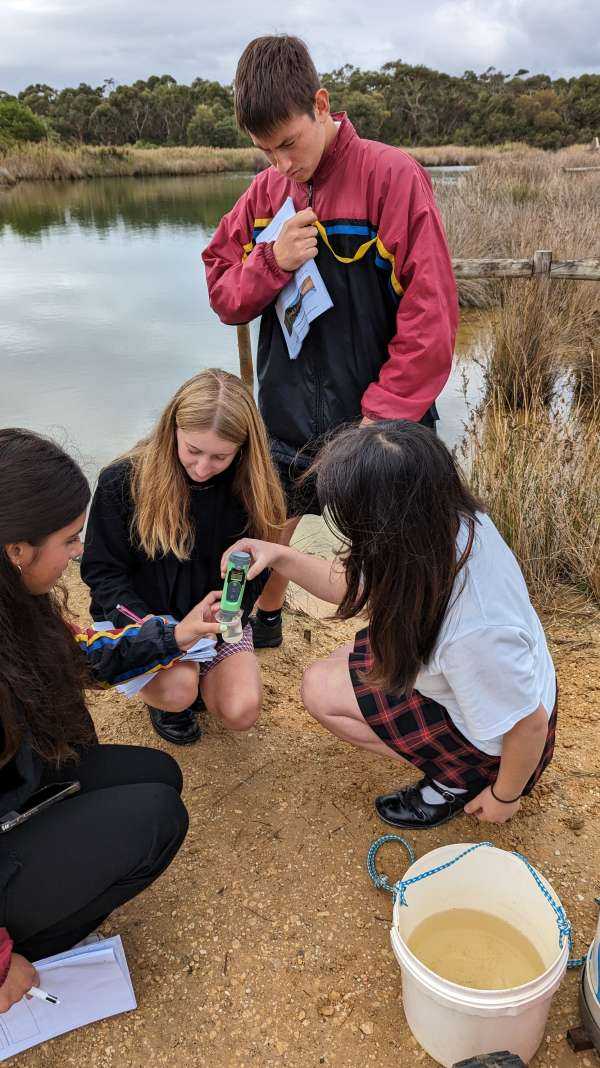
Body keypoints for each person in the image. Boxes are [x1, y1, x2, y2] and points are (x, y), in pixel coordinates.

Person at [203, 34, 458, 650]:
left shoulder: (392, 178)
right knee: (270, 522)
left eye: (289, 143)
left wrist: (383, 415)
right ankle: (264, 619)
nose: (282, 165)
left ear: (321, 105)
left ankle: (396, 647)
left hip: (380, 421)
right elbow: (224, 294)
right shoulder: (264, 197)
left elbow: (432, 315)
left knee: (389, 544)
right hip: (288, 415)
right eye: (266, 151)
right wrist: (272, 261)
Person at [222, 421, 557, 829]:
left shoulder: (475, 633)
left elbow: (529, 724)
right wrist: (277, 555)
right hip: (497, 696)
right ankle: (458, 765)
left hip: (503, 745)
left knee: (320, 690)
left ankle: (458, 780)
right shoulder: (452, 523)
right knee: (343, 661)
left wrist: (506, 795)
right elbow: (353, 585)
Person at [0, 427, 223, 1013]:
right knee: (158, 817)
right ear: (16, 549)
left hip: (16, 786)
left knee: (158, 776)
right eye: (70, 540)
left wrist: (173, 633)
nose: (79, 554)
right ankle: (24, 945)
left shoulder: (13, 600)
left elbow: (83, 657)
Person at [81, 369, 286, 746]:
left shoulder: (255, 488)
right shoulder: (122, 481)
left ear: (243, 448)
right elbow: (103, 573)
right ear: (172, 428)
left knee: (242, 710)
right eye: (193, 450)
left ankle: (200, 672)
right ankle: (170, 698)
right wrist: (157, 632)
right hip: (144, 618)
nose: (203, 468)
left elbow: (258, 568)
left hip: (213, 623)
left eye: (220, 456)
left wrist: (231, 608)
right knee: (178, 690)